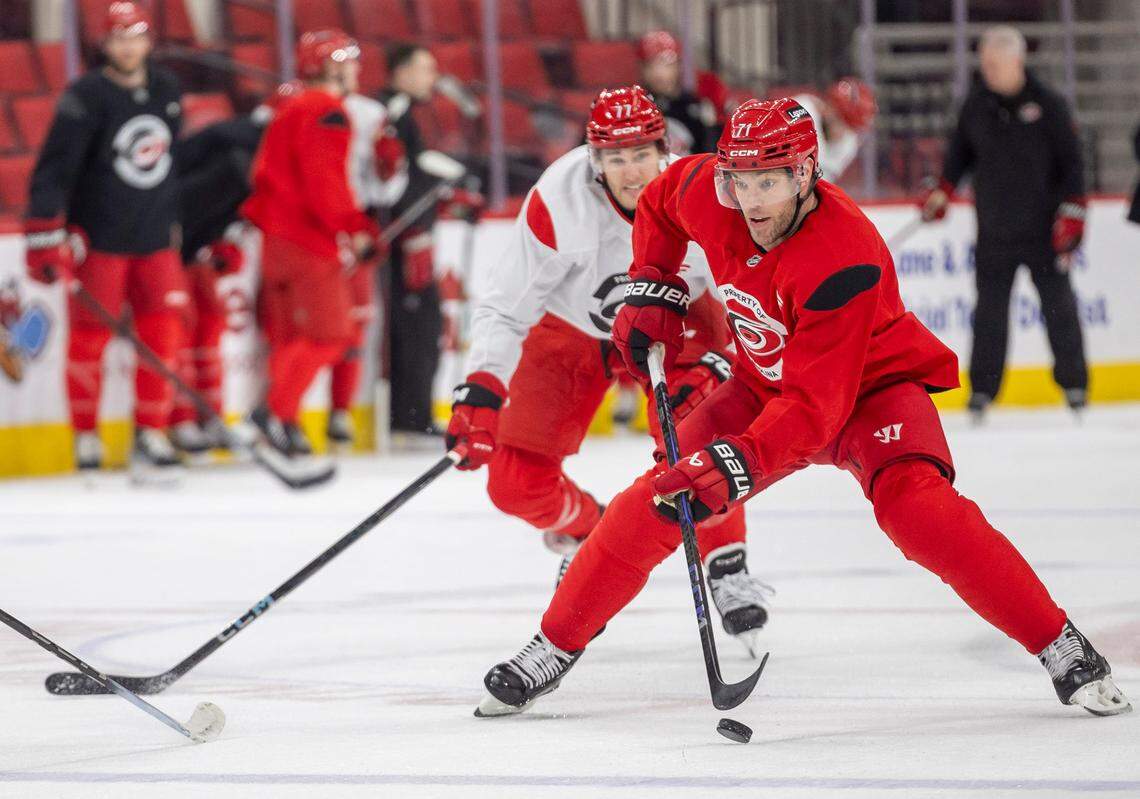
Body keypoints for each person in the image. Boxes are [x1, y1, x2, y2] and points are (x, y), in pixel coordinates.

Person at [475, 97, 1131, 720]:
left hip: (870, 393)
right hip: (764, 387)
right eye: (740, 182)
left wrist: (744, 458)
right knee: (660, 495)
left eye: (768, 183)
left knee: (918, 511)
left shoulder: (842, 254)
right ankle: (553, 645)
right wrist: (656, 281)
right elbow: (659, 201)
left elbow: (819, 406)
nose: (750, 201)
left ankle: (1061, 642)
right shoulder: (710, 189)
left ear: (806, 173)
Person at [446, 85, 772, 651]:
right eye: (615, 158)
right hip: (571, 328)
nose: (630, 171)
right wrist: (482, 387)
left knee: (699, 438)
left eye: (641, 154)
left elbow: (754, 292)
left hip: (678, 318)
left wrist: (722, 361)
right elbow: (507, 303)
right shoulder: (558, 201)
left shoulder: (705, 193)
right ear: (595, 160)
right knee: (513, 484)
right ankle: (589, 535)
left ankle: (727, 564)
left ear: (663, 150)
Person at [23, 1, 186, 478]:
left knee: (162, 336)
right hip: (99, 240)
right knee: (90, 341)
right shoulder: (85, 96)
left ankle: (150, 431)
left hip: (156, 237)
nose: (127, 46)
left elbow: (172, 165)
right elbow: (54, 169)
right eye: (118, 37)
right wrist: (44, 229)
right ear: (105, 44)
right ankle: (86, 434)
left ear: (148, 41)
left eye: (135, 36)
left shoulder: (167, 89)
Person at [919, 25, 1088, 422]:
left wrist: (1074, 214)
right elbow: (958, 158)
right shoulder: (976, 105)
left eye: (994, 65)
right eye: (984, 65)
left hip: (1046, 231)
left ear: (1017, 60)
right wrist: (941, 188)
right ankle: (982, 391)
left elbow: (1074, 165)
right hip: (994, 230)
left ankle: (1075, 384)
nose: (988, 72)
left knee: (1060, 307)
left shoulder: (1050, 105)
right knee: (989, 313)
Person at [241, 29, 376, 461]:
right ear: (334, 65)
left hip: (276, 241)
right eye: (351, 62)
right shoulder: (326, 109)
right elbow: (325, 183)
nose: (357, 71)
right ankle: (272, 413)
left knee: (291, 337)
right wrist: (356, 226)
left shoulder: (291, 107)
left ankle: (285, 422)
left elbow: (261, 176)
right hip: (307, 242)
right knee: (331, 336)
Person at [168, 83, 300, 455]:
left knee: (207, 328)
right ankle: (179, 420)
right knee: (178, 332)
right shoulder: (234, 143)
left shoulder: (258, 146)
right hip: (169, 246)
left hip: (194, 248)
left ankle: (206, 416)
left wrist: (220, 238)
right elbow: (176, 190)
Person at [379, 43, 445, 436]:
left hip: (407, 235)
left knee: (421, 323)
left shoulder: (401, 113)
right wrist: (416, 231)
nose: (432, 78)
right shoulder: (393, 113)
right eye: (426, 68)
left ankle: (411, 412)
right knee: (417, 324)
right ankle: (411, 413)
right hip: (402, 240)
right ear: (401, 72)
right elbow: (394, 179)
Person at [637, 30, 718, 155]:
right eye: (651, 65)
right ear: (643, 69)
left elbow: (710, 155)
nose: (658, 73)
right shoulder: (636, 108)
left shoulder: (695, 106)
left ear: (677, 66)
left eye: (665, 65)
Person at [793, 76, 877, 182]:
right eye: (843, 123)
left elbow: (821, 183)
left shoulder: (849, 142)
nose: (845, 132)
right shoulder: (800, 113)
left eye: (851, 128)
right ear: (830, 109)